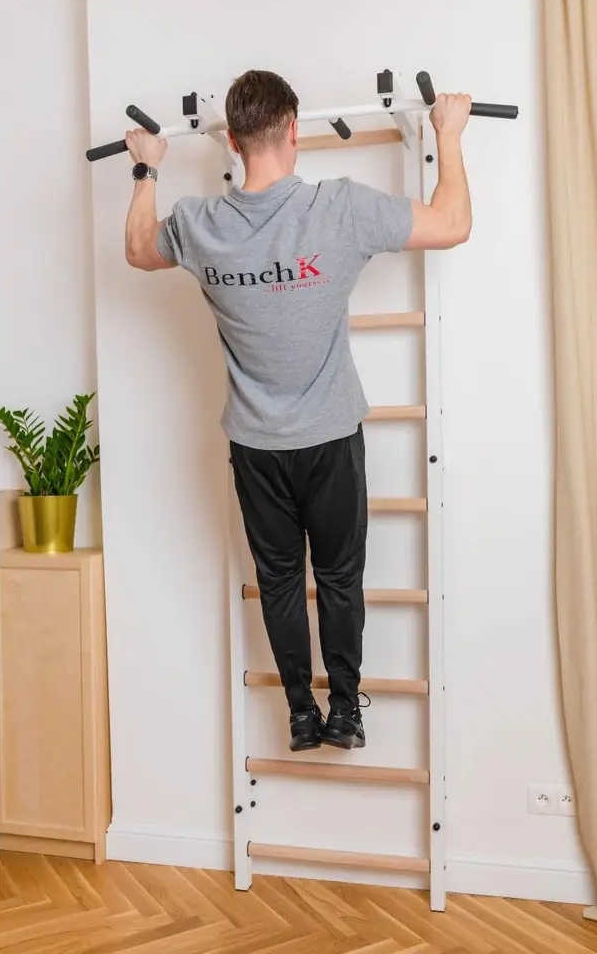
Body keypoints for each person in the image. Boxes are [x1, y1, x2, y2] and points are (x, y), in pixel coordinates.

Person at [124, 70, 472, 753]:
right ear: (292, 131)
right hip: (330, 439)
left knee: (280, 582)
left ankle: (299, 714)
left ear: (232, 141)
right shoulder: (338, 208)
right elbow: (452, 224)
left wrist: (146, 167)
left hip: (256, 449)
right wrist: (449, 135)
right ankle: (344, 711)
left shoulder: (197, 224)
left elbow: (138, 248)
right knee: (338, 578)